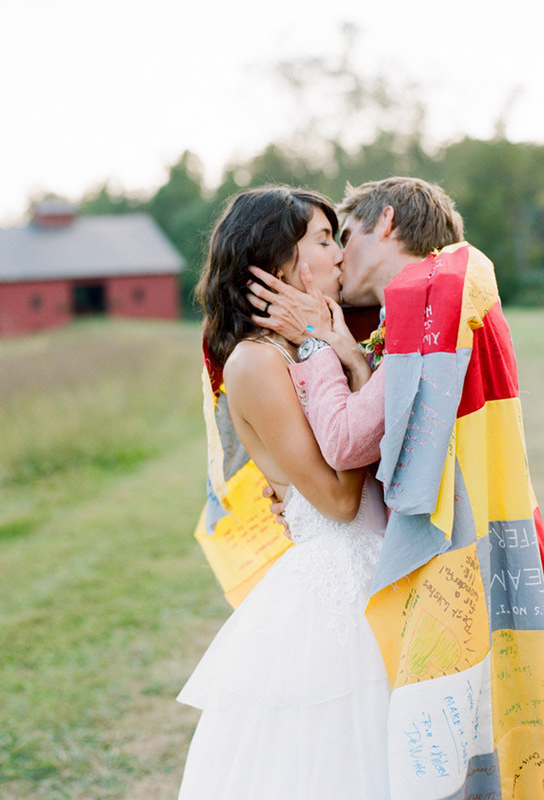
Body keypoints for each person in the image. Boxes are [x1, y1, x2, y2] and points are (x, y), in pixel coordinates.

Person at [247, 177, 544, 800]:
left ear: (385, 224)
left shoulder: (424, 301)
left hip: (444, 553)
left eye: (344, 236)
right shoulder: (437, 297)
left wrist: (317, 345)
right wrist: (352, 358)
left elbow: (348, 442)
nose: (338, 256)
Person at [177, 186, 391, 800]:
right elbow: (338, 499)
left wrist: (341, 351)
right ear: (277, 263)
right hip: (337, 586)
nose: (341, 254)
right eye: (324, 241)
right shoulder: (256, 362)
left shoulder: (308, 344)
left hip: (378, 568)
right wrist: (341, 359)